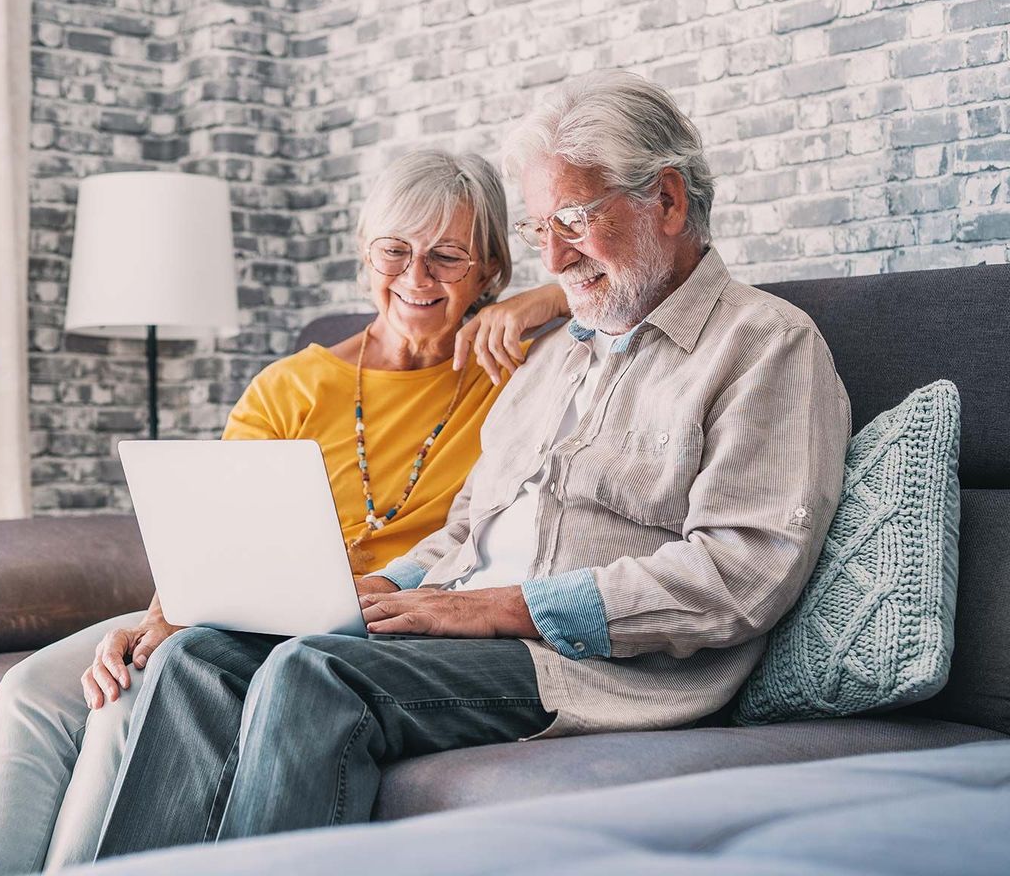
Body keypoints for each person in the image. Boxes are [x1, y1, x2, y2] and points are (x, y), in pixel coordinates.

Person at [91, 70, 853, 859]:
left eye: (573, 221)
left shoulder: (764, 346)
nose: (553, 257)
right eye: (537, 230)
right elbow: (464, 531)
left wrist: (502, 607)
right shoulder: (553, 360)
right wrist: (393, 586)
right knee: (198, 657)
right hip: (460, 629)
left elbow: (741, 574)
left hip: (581, 666)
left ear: (665, 200)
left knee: (315, 673)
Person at [0, 150, 569, 875]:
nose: (416, 278)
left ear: (490, 268)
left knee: (125, 703)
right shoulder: (290, 386)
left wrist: (543, 299)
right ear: (366, 256)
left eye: (448, 257)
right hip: (244, 609)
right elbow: (208, 539)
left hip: (377, 624)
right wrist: (156, 618)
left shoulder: (520, 372)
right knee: (32, 691)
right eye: (394, 252)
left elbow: (610, 302)